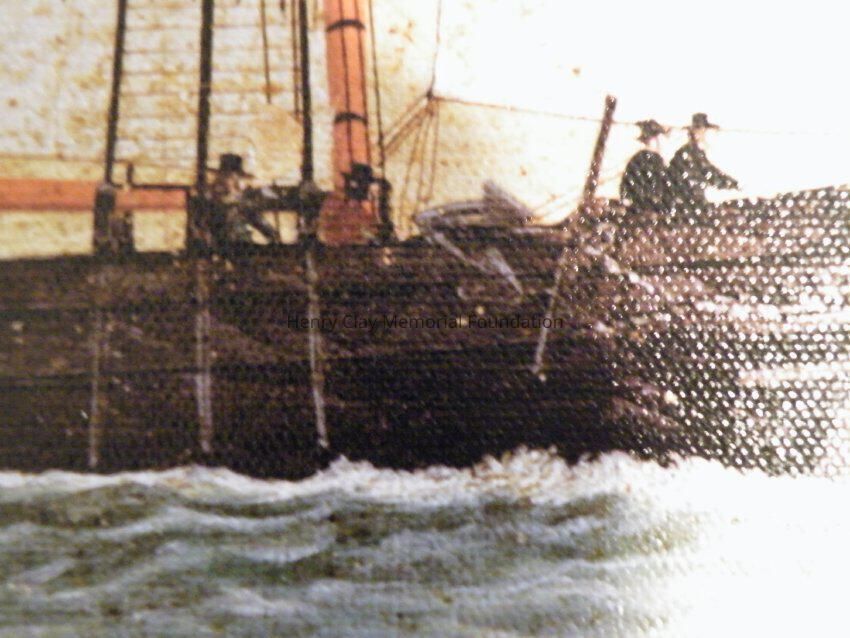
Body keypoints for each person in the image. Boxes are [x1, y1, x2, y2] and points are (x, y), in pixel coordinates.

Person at [668, 113, 739, 209]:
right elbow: (708, 173)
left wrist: (732, 183)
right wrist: (730, 184)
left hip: (690, 196)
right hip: (687, 199)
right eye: (701, 130)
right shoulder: (688, 153)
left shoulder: (696, 151)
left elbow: (712, 172)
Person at [209, 153, 281, 248]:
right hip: (226, 239)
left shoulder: (241, 202)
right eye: (229, 176)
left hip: (240, 239)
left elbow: (255, 217)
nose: (235, 179)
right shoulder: (219, 191)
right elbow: (221, 201)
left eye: (236, 176)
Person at [619, 119, 672, 214]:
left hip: (650, 204)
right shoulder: (641, 158)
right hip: (642, 204)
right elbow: (628, 180)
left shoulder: (655, 159)